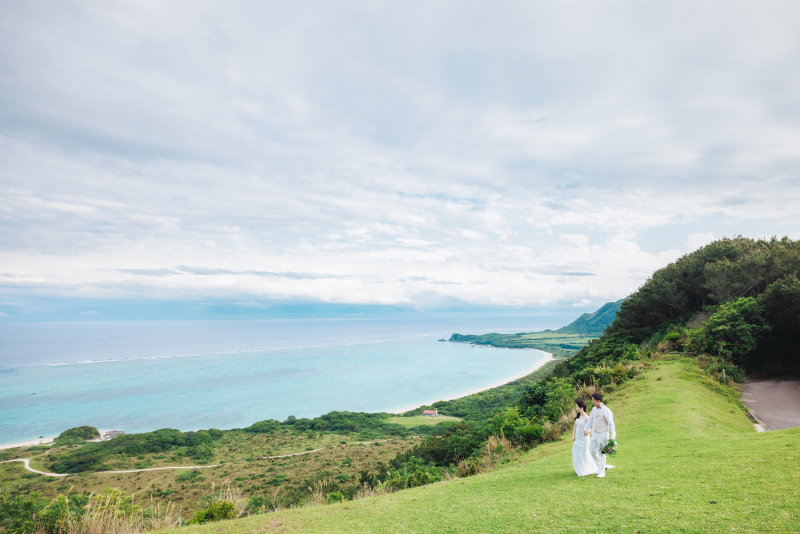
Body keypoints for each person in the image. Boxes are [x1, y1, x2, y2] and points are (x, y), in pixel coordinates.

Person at [583, 392, 616, 478]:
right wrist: (586, 429)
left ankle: (601, 472)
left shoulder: (607, 411)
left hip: (603, 434)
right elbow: (590, 420)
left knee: (602, 453)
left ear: (598, 401)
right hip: (594, 433)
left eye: (593, 400)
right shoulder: (593, 409)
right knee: (592, 451)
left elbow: (611, 424)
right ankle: (601, 466)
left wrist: (613, 436)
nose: (592, 402)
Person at [572, 399, 597, 476]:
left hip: (584, 439)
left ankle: (587, 468)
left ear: (581, 408)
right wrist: (573, 436)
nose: (576, 408)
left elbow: (590, 429)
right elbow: (575, 426)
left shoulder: (587, 417)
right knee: (577, 452)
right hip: (577, 438)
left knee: (584, 453)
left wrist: (586, 432)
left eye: (577, 407)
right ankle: (580, 468)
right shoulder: (578, 416)